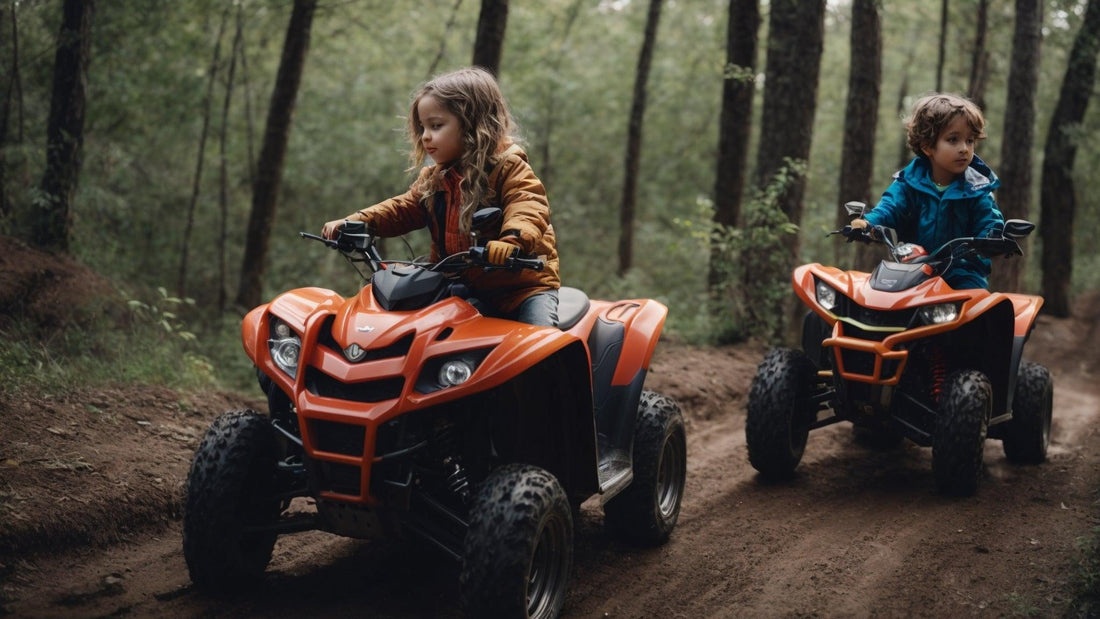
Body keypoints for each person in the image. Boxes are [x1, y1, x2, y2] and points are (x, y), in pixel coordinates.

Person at [322, 67, 559, 326]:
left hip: (523, 289)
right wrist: (356, 222)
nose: (425, 136)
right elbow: (402, 208)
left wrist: (512, 240)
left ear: (472, 124)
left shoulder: (508, 167)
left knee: (539, 342)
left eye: (436, 126)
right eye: (422, 127)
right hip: (465, 287)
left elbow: (527, 204)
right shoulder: (435, 179)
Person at [851, 92, 1004, 290]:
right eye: (953, 140)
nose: (964, 149)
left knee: (977, 305)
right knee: (878, 299)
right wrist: (868, 223)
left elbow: (989, 220)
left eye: (970, 141)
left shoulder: (978, 188)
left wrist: (993, 236)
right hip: (912, 270)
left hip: (962, 273)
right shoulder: (908, 183)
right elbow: (889, 208)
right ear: (927, 146)